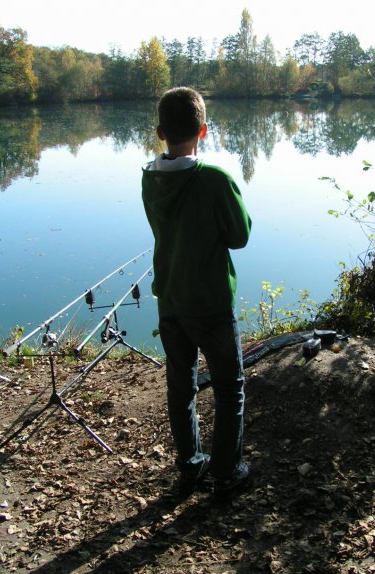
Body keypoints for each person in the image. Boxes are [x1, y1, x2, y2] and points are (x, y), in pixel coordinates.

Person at [141, 87, 252, 499]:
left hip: (170, 299)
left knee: (180, 386)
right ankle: (226, 471)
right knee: (229, 386)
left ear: (160, 132)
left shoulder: (150, 178)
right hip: (210, 303)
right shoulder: (214, 178)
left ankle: (190, 465)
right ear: (203, 130)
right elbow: (239, 236)